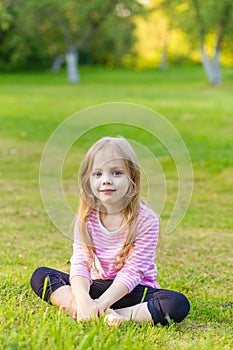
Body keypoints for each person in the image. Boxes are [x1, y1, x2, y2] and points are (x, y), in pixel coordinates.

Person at [30, 136, 190, 326]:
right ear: (88, 181)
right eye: (98, 174)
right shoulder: (86, 218)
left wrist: (101, 304)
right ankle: (85, 309)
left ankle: (113, 314)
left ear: (132, 178)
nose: (106, 181)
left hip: (132, 291)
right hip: (96, 287)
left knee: (177, 303)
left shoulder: (146, 220)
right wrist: (83, 299)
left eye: (116, 173)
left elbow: (133, 271)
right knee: (42, 276)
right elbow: (80, 263)